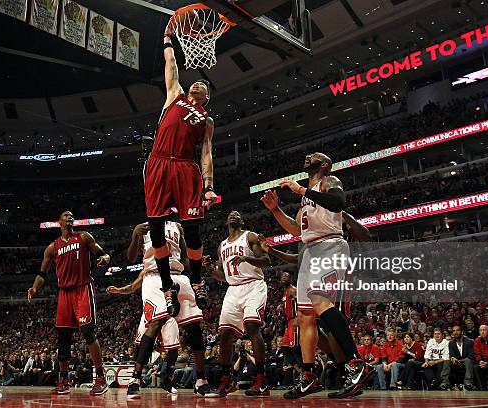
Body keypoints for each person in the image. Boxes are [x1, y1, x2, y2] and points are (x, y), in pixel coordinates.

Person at [262, 152, 373, 399]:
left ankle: (357, 364)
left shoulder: (329, 181)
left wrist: (301, 191)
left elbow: (337, 203)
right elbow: (295, 229)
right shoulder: (307, 199)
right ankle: (310, 376)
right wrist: (275, 210)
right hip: (310, 250)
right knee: (304, 315)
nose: (307, 156)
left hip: (330, 245)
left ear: (323, 164)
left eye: (314, 156)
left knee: (319, 300)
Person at [143, 20, 219, 316]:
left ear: (207, 97)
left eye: (204, 86)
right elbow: (171, 62)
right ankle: (166, 287)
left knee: (193, 229)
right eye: (197, 82)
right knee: (156, 228)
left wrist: (209, 185)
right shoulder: (174, 93)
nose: (198, 83)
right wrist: (166, 38)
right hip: (160, 161)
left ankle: (197, 280)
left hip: (187, 168)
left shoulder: (207, 119)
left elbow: (207, 153)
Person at [106, 220, 212, 398]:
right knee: (156, 323)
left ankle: (201, 380)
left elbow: (185, 258)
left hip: (178, 276)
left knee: (194, 328)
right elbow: (131, 258)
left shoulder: (177, 227)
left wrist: (199, 267)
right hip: (154, 277)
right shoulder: (144, 227)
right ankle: (136, 379)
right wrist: (135, 235)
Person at [27, 210, 110, 395]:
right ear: (59, 222)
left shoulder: (84, 237)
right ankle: (63, 378)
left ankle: (101, 378)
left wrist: (104, 258)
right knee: (63, 338)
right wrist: (34, 288)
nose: (70, 217)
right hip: (64, 293)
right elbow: (42, 274)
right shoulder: (52, 247)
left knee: (88, 332)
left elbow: (102, 253)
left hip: (83, 288)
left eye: (72, 215)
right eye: (66, 215)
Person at [203, 211, 271, 397]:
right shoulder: (222, 246)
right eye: (230, 214)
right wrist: (210, 270)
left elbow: (266, 260)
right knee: (224, 334)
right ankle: (227, 380)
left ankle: (261, 379)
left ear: (241, 220)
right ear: (226, 221)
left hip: (253, 285)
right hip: (233, 289)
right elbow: (222, 276)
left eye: (237, 214)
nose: (233, 215)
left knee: (252, 327)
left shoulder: (250, 236)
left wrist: (247, 258)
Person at [447, 325, 475, 390]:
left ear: (462, 332)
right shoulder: (451, 343)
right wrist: (453, 358)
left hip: (467, 362)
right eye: (454, 331)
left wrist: (460, 360)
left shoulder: (469, 341)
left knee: (468, 360)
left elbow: (471, 356)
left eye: (457, 330)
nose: (455, 332)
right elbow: (452, 355)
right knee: (446, 362)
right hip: (457, 363)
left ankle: (468, 382)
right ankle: (446, 383)